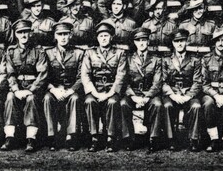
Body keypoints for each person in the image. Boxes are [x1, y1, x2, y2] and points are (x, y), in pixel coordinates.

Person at [2, 19, 49, 152]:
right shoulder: (11, 51)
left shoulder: (38, 51)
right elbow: (10, 74)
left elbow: (42, 74)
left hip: (34, 88)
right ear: (16, 34)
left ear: (30, 33)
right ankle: (9, 137)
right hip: (17, 87)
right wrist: (16, 90)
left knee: (31, 99)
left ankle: (31, 138)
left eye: (26, 32)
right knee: (10, 97)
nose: (23, 35)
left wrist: (31, 90)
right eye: (20, 32)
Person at [80, 22, 128, 152]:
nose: (104, 39)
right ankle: (94, 137)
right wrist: (95, 93)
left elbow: (120, 76)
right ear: (97, 38)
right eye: (101, 36)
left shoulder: (120, 53)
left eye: (106, 35)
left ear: (111, 37)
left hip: (111, 90)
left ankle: (110, 138)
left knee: (112, 102)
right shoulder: (89, 53)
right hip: (95, 89)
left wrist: (109, 93)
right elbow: (85, 75)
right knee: (90, 101)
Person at [42, 21, 85, 151]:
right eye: (60, 34)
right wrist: (53, 89)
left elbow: (81, 77)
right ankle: (52, 136)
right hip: (54, 89)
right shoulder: (47, 53)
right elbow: (44, 76)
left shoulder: (79, 53)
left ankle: (71, 136)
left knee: (75, 99)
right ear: (55, 36)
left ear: (70, 35)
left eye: (66, 34)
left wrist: (71, 90)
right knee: (47, 98)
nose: (63, 37)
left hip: (72, 89)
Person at [120, 27, 164, 152]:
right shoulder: (128, 58)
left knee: (157, 103)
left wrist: (147, 97)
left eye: (144, 40)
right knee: (123, 103)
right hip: (133, 93)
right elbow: (124, 81)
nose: (141, 43)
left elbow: (157, 82)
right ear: (134, 42)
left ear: (148, 42)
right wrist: (133, 96)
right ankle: (128, 138)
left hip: (149, 94)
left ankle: (153, 138)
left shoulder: (156, 59)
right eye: (138, 40)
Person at [159, 29, 204, 151]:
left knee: (196, 106)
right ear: (173, 43)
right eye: (177, 41)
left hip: (188, 93)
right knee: (167, 105)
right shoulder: (166, 59)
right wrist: (173, 96)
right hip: (172, 93)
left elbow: (197, 82)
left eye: (182, 41)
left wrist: (188, 96)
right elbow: (163, 82)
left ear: (186, 42)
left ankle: (193, 139)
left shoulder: (195, 59)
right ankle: (171, 139)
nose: (179, 44)